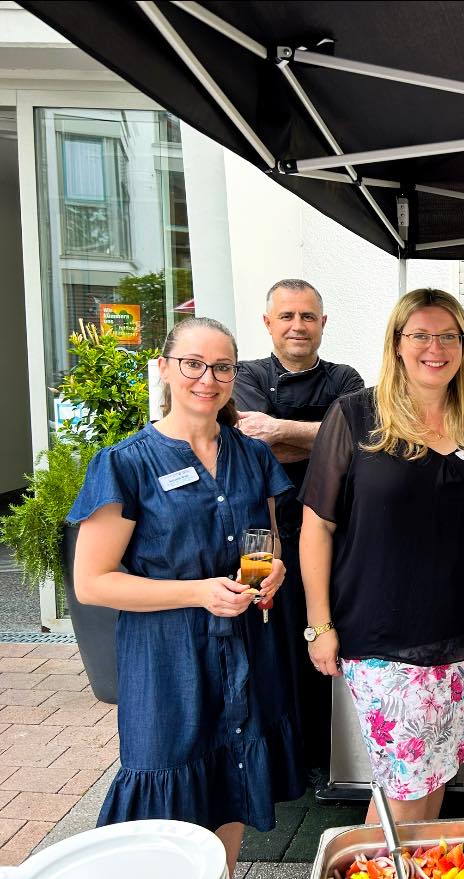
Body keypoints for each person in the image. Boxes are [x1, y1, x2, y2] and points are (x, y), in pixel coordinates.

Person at [68, 317, 302, 875]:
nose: (207, 379)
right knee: (164, 805)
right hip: (167, 660)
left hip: (245, 649)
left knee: (232, 779)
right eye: (193, 364)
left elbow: (268, 541)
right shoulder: (126, 463)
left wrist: (274, 571)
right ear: (165, 369)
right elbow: (92, 582)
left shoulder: (253, 456)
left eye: (221, 367)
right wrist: (197, 592)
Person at [299, 287, 464, 824]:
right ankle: (384, 861)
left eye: (449, 336)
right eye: (420, 335)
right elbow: (316, 528)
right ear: (397, 343)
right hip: (383, 634)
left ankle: (414, 861)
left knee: (434, 769)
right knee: (404, 783)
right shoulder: (356, 416)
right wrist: (318, 625)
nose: (435, 348)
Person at [233, 278, 363, 785]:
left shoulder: (345, 378)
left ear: (323, 323)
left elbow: (358, 441)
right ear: (268, 323)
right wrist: (323, 439)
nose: (297, 326)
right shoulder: (245, 375)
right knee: (267, 637)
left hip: (334, 531)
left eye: (308, 316)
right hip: (262, 532)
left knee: (327, 631)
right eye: (286, 316)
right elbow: (249, 446)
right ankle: (275, 756)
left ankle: (331, 753)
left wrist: (279, 429)